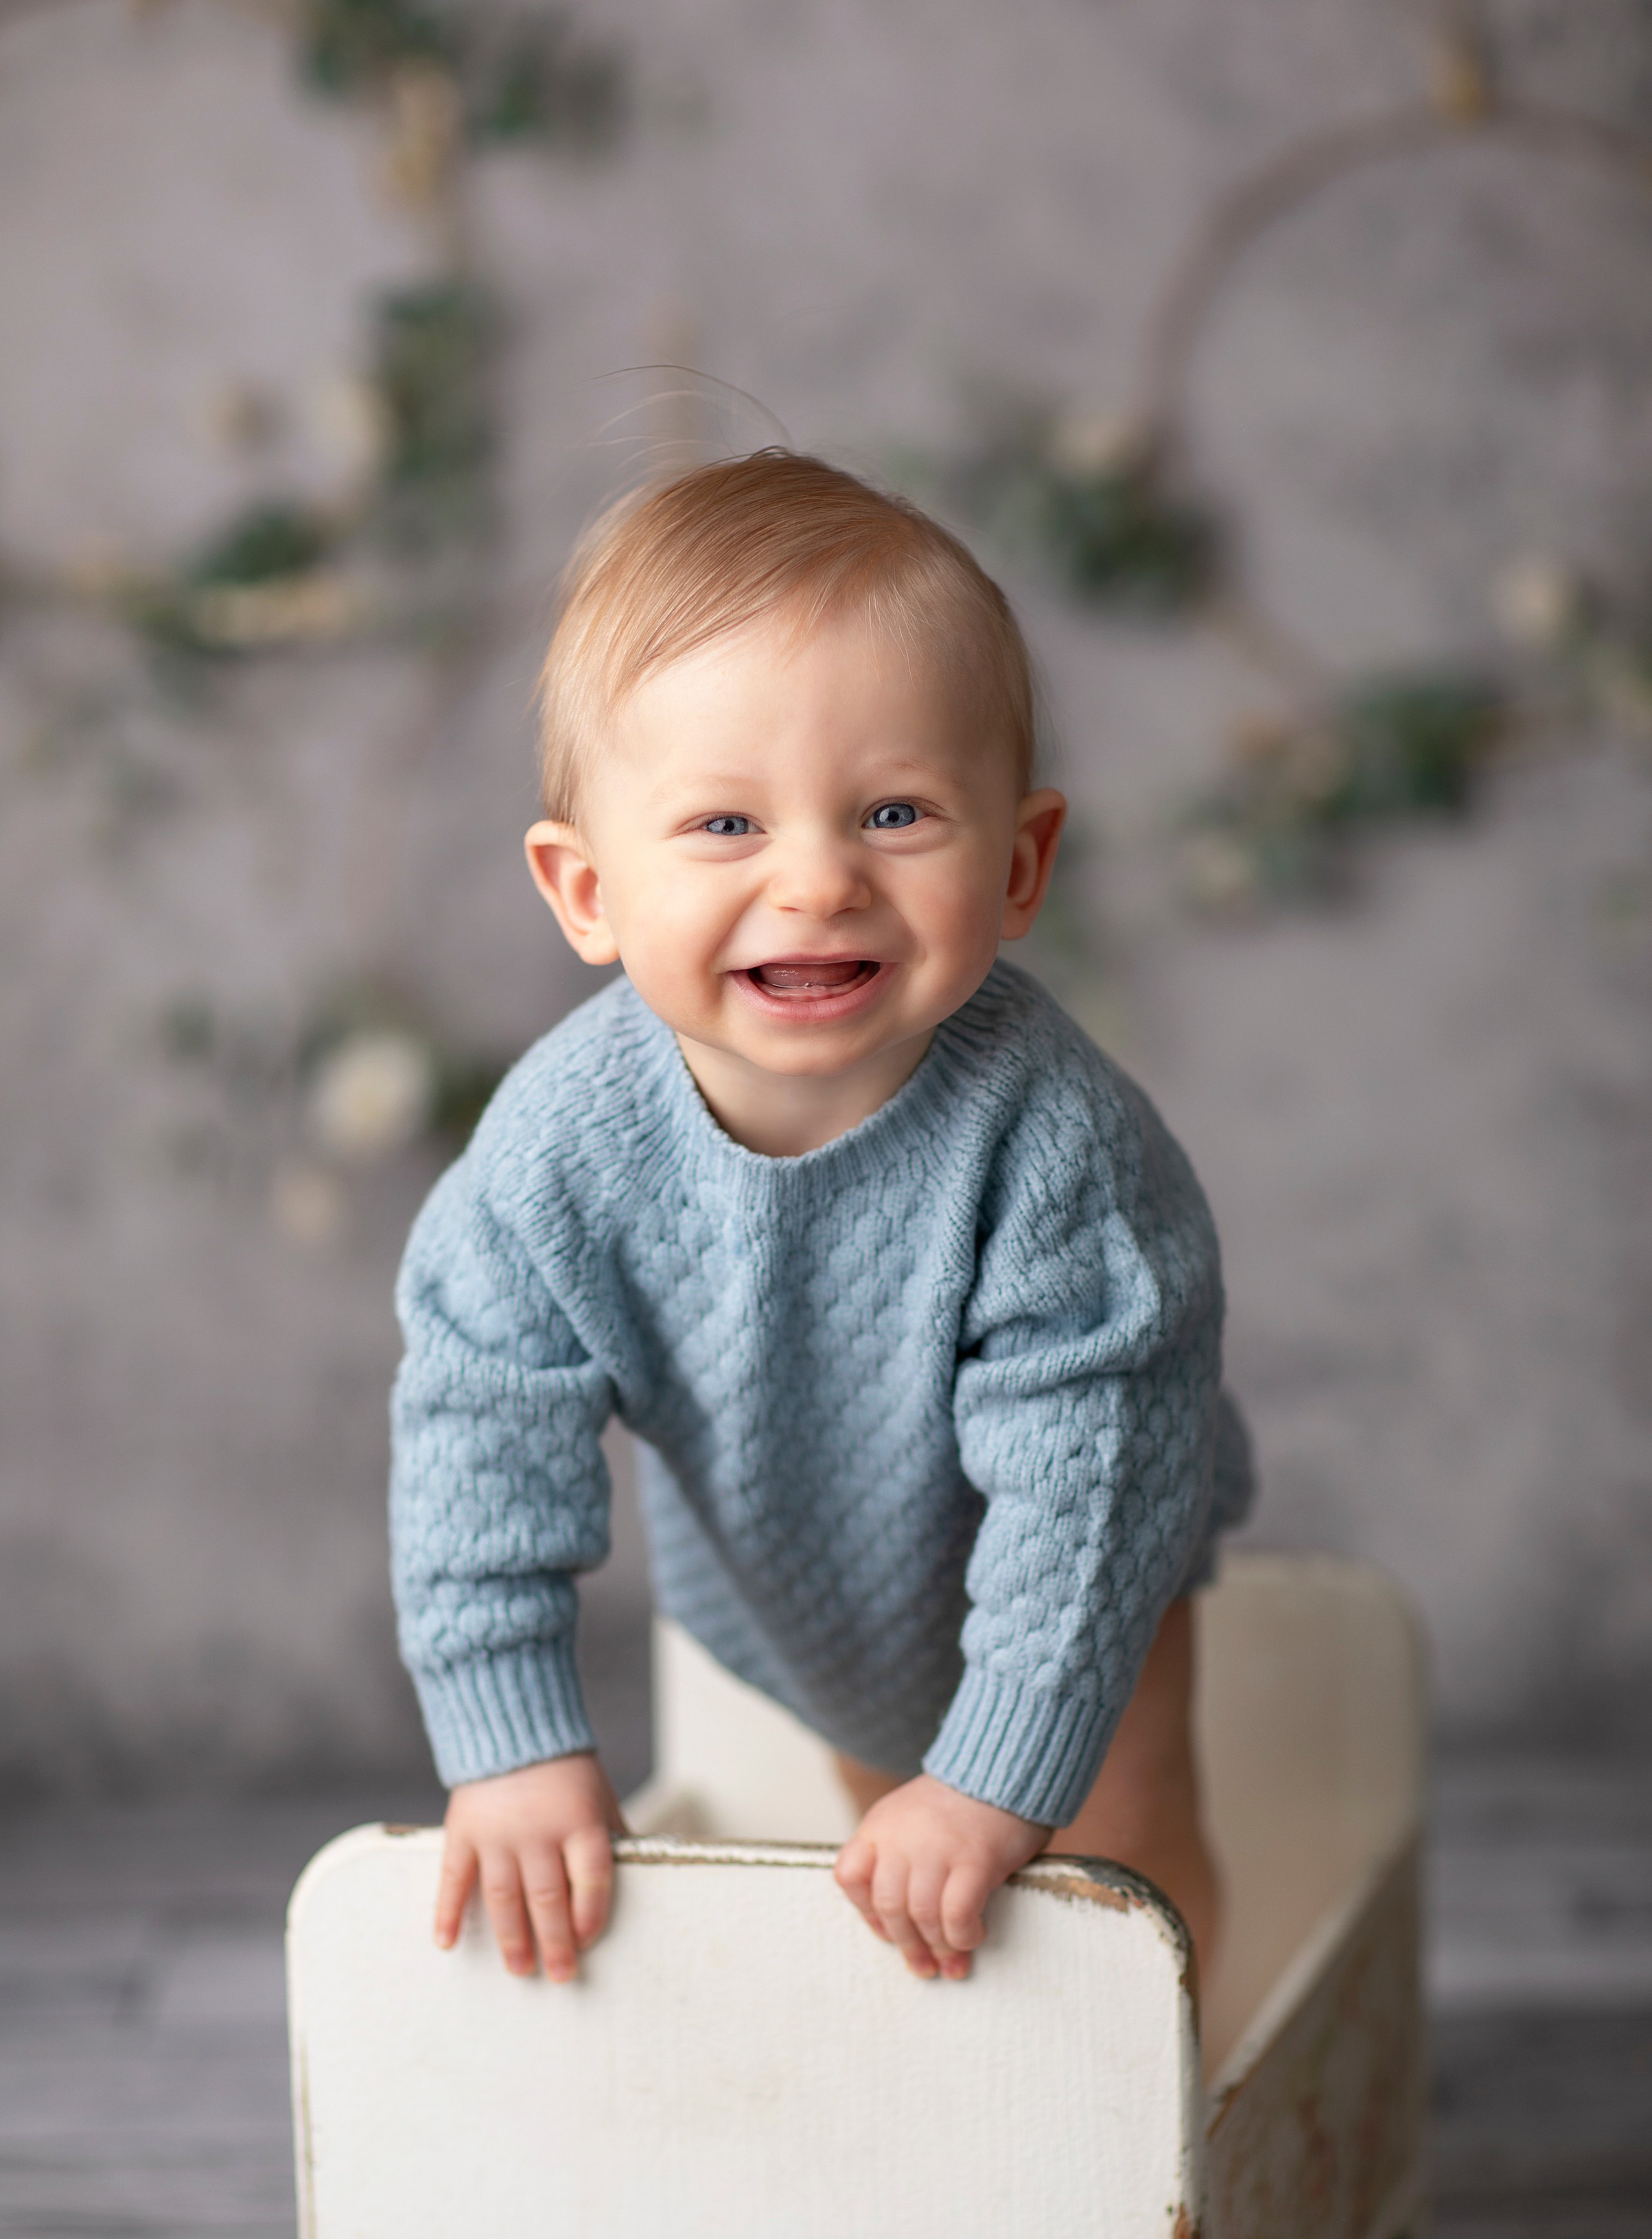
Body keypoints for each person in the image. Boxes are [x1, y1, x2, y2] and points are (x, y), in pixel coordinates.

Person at [389, 450, 1253, 1991]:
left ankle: (1195, 2094)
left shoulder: (1056, 1148)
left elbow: (1096, 1482)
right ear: (586, 892)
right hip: (810, 1596)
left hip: (1079, 1587)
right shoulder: (556, 1150)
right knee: (919, 1889)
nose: (817, 880)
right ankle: (975, 2111)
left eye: (895, 813)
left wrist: (993, 1774)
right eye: (724, 824)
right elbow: (477, 1428)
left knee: (1116, 1875)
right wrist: (510, 1742)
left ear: (1018, 865)